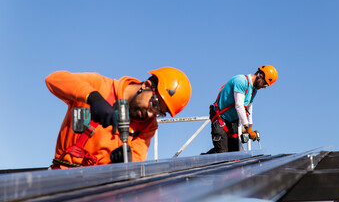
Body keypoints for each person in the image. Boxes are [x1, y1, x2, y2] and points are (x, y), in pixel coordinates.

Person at [45, 67, 191, 169]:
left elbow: (137, 160)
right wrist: (93, 98)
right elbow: (54, 79)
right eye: (154, 104)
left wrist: (125, 159)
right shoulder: (100, 85)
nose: (151, 114)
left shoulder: (148, 125)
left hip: (100, 190)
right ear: (146, 85)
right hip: (62, 180)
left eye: (160, 113)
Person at [206, 65, 278, 154]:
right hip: (220, 118)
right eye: (265, 83)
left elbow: (249, 107)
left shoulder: (254, 90)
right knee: (223, 154)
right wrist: (247, 128)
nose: (264, 87)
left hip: (232, 122)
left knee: (235, 154)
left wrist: (250, 125)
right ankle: (199, 162)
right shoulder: (241, 81)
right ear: (260, 75)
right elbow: (239, 106)